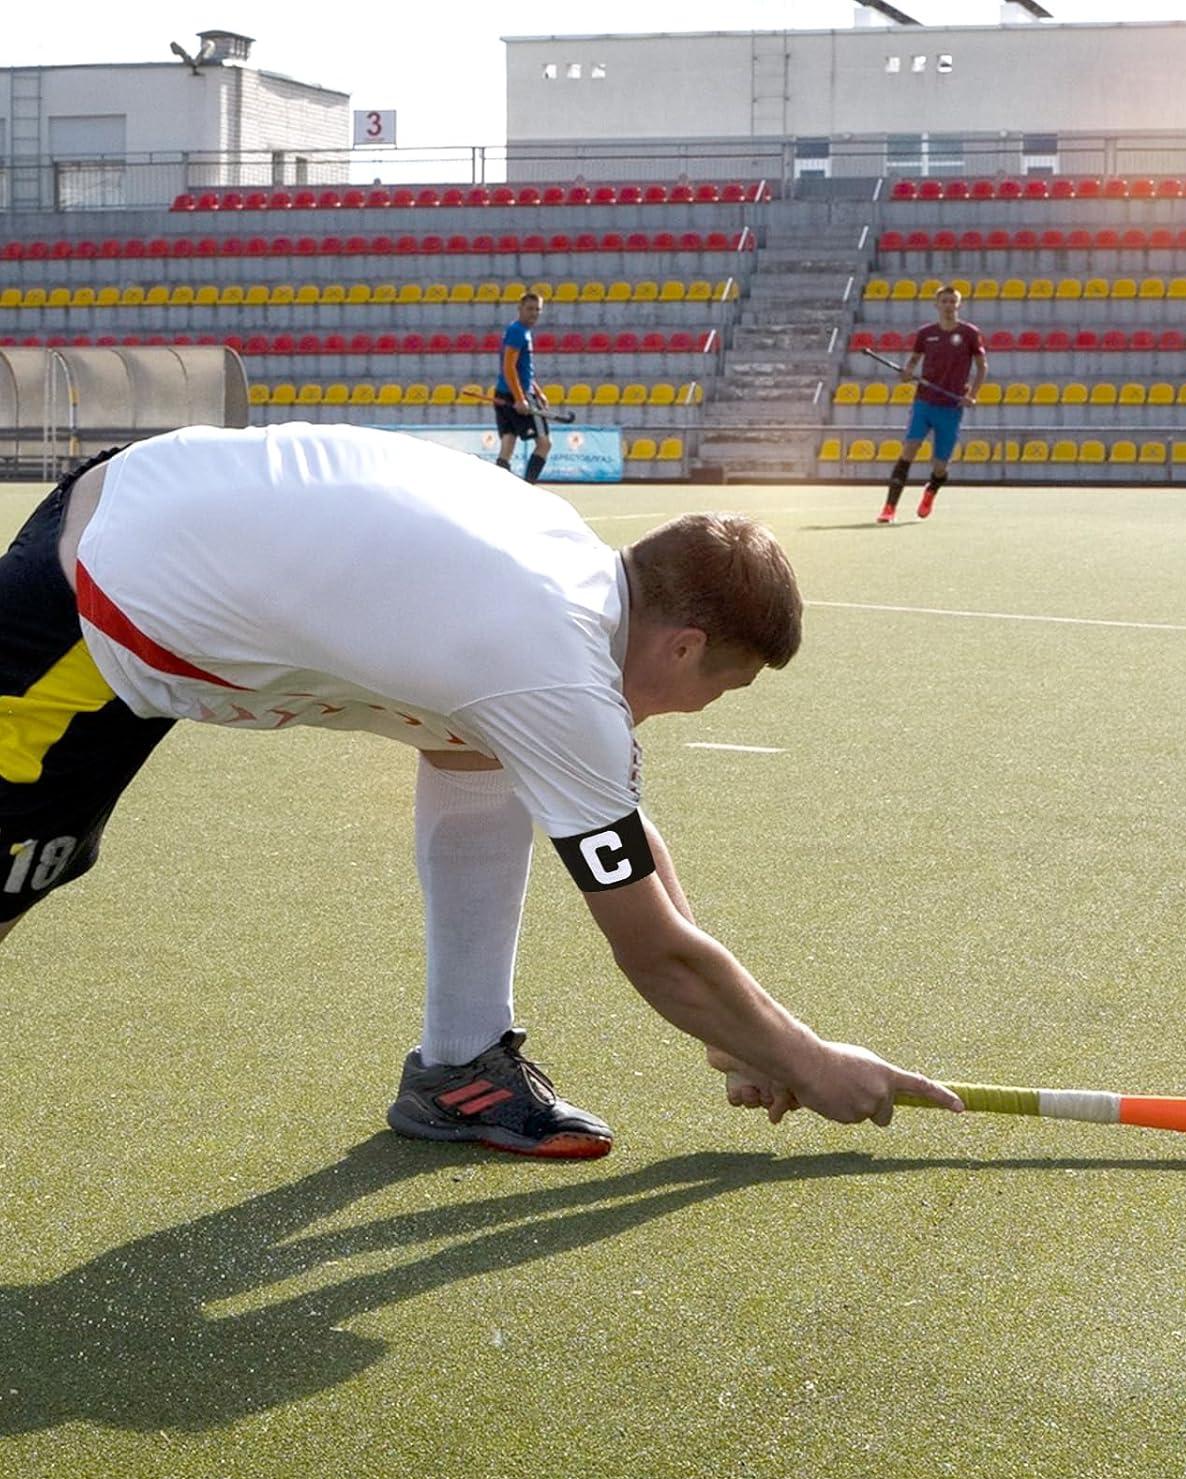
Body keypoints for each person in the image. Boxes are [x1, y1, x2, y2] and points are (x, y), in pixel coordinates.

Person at [0, 424, 962, 1160]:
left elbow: (623, 834)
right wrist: (809, 1061)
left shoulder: (573, 570)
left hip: (165, 514)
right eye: (723, 686)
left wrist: (748, 1039)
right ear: (687, 645)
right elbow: (656, 951)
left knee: (484, 752)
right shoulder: (553, 672)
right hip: (97, 600)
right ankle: (460, 1064)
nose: (705, 708)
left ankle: (459, 1067)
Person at [878, 286, 988, 524]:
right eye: (944, 301)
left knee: (940, 467)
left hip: (951, 406)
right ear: (936, 305)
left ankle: (931, 491)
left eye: (952, 301)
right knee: (909, 450)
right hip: (924, 402)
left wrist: (973, 394)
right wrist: (907, 373)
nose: (948, 305)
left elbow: (982, 367)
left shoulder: (970, 333)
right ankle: (889, 508)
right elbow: (914, 362)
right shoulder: (926, 333)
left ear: (959, 306)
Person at [493, 291, 552, 483]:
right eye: (530, 309)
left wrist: (538, 391)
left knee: (508, 443)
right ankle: (528, 488)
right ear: (520, 309)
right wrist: (520, 398)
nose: (534, 313)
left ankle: (500, 487)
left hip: (506, 393)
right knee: (544, 444)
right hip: (515, 395)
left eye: (538, 310)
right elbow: (509, 367)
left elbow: (521, 369)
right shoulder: (518, 332)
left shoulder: (519, 330)